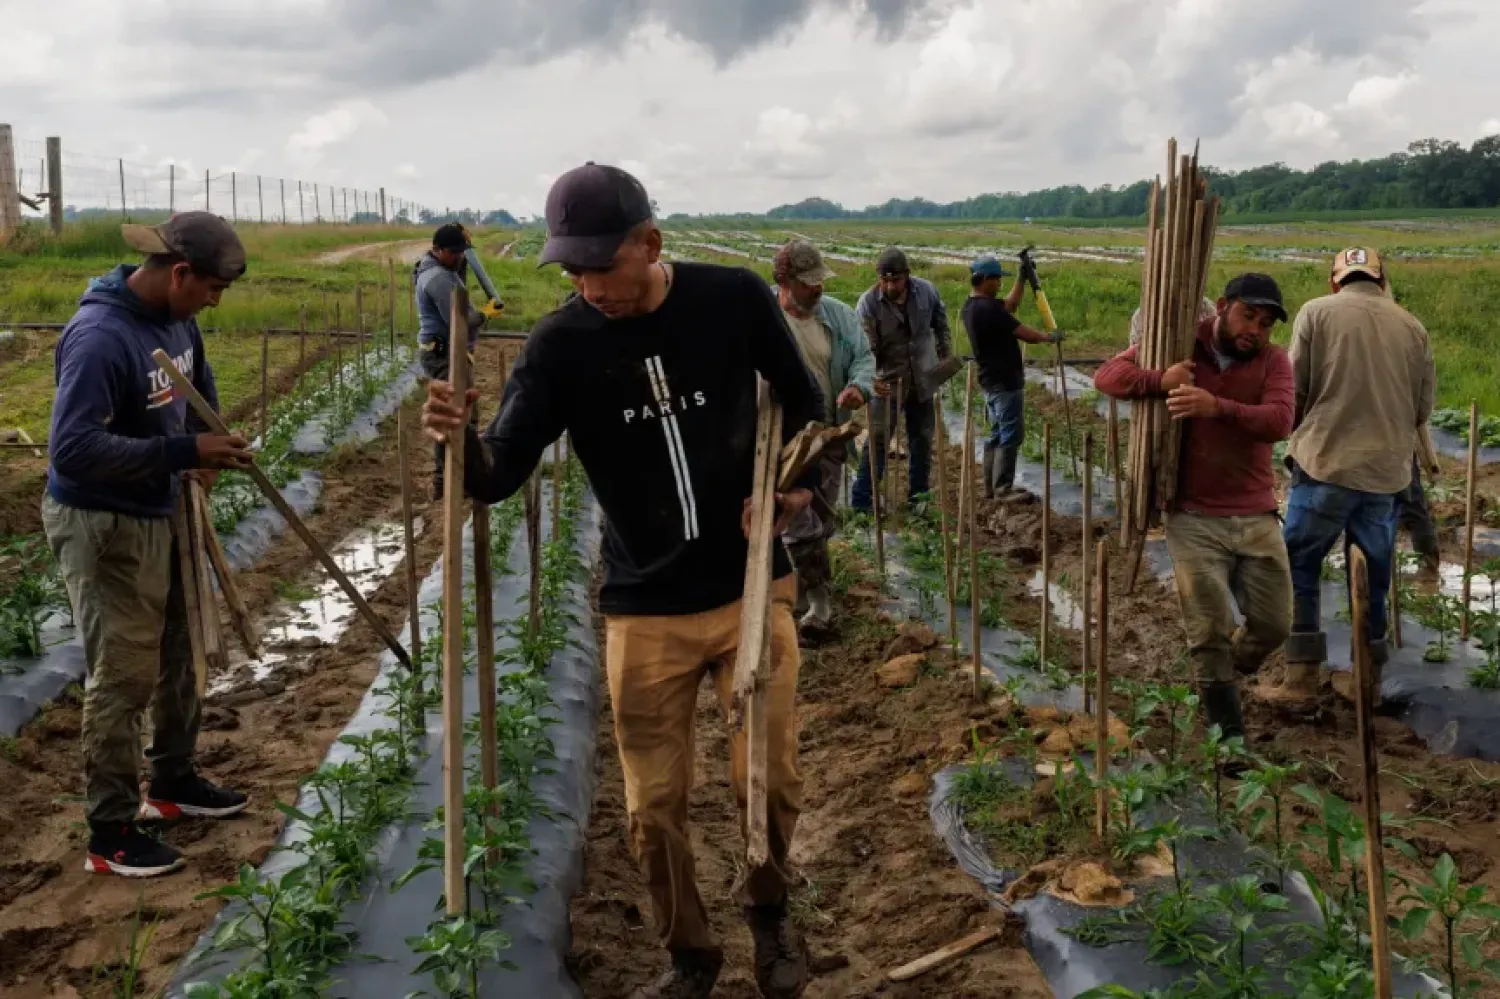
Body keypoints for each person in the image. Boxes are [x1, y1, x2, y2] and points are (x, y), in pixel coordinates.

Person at [422, 163, 822, 999]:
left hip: (750, 584)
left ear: (651, 244)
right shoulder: (560, 346)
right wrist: (457, 442)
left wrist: (795, 489)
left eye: (601, 265)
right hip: (644, 606)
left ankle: (770, 911)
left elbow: (806, 405)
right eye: (572, 270)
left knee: (768, 779)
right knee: (653, 805)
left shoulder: (732, 300)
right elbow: (498, 471)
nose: (588, 286)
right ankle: (690, 952)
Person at [44, 214, 254, 878]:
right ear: (180, 273)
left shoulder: (177, 319)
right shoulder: (101, 337)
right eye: (212, 289)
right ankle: (109, 831)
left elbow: (196, 389)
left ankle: (172, 780)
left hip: (162, 504)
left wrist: (206, 447)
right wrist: (183, 451)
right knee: (125, 673)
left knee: (179, 650)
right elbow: (73, 449)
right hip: (105, 523)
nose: (214, 302)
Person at [1094, 274, 1295, 739]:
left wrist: (1216, 407)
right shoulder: (1181, 344)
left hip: (1256, 513)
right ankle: (1229, 742)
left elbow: (1280, 420)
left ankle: (1231, 666)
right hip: (1192, 515)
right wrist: (1159, 380)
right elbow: (1107, 376)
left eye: (1265, 323)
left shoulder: (1273, 360)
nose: (1255, 330)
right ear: (1223, 306)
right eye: (1248, 316)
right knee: (1209, 630)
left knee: (1274, 624)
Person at [1280, 248, 1436, 701]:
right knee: (1372, 579)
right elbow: (1422, 409)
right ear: (1381, 280)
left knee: (1300, 564)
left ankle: (1301, 677)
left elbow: (1296, 391)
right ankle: (1367, 679)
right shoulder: (1413, 326)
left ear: (1335, 280)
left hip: (1325, 465)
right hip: (1386, 475)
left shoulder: (1315, 312)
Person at [772, 239, 874, 635]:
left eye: (820, 280)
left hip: (828, 436)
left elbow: (864, 358)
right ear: (785, 281)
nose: (817, 288)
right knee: (797, 519)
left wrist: (859, 386)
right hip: (780, 441)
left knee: (821, 518)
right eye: (808, 282)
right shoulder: (764, 317)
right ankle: (818, 603)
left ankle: (801, 589)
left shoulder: (838, 316)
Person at [850, 247, 952, 511]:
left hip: (923, 379)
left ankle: (918, 499)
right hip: (887, 383)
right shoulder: (868, 304)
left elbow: (941, 324)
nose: (890, 286)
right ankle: (863, 501)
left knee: (922, 440)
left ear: (907, 275)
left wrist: (945, 356)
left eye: (895, 280)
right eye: (884, 280)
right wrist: (870, 379)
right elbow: (865, 348)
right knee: (878, 440)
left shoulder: (926, 291)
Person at [961, 254, 1064, 498]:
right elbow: (1025, 333)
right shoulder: (988, 310)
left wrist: (1022, 278)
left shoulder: (972, 306)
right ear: (983, 279)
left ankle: (991, 486)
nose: (1000, 284)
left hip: (990, 380)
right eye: (997, 279)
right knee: (1011, 434)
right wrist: (1048, 337)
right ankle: (1003, 488)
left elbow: (1010, 304)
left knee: (997, 432)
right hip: (1005, 381)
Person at [413, 222, 492, 498]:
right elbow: (460, 320)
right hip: (443, 353)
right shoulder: (438, 279)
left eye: (462, 251)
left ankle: (459, 478)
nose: (459, 256)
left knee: (462, 414)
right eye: (454, 251)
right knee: (452, 416)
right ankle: (444, 483)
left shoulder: (443, 270)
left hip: (449, 351)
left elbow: (460, 283)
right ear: (437, 249)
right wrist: (485, 315)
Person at [1397, 426, 1443, 583]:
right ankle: (1363, 563)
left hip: (1396, 444)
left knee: (1412, 507)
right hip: (1389, 444)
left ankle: (1428, 567)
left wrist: (1431, 465)